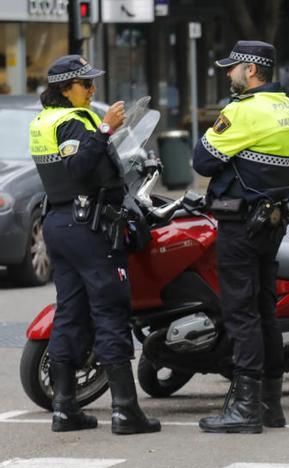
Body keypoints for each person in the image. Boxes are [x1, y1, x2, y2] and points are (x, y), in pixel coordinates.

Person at [29, 55, 160, 434]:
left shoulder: (44, 121)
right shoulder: (70, 121)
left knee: (70, 313)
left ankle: (65, 407)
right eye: (86, 84)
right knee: (110, 312)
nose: (93, 89)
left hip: (60, 222)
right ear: (66, 89)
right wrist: (104, 129)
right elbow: (77, 167)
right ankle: (125, 411)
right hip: (88, 227)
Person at [193, 41, 289, 434]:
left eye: (232, 68)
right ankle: (270, 405)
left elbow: (202, 160)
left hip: (240, 224)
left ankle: (245, 409)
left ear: (251, 70)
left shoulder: (242, 111)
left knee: (240, 314)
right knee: (265, 311)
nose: (228, 74)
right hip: (271, 224)